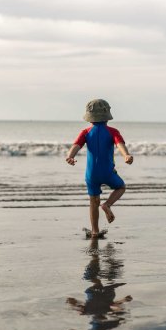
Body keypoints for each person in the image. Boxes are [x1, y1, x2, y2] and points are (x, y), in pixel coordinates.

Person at [65, 99, 133, 237]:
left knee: (93, 202)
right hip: (107, 172)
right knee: (121, 187)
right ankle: (107, 205)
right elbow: (119, 144)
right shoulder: (112, 131)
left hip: (91, 174)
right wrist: (126, 155)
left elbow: (75, 146)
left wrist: (70, 156)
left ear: (89, 117)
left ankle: (95, 231)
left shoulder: (85, 132)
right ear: (107, 115)